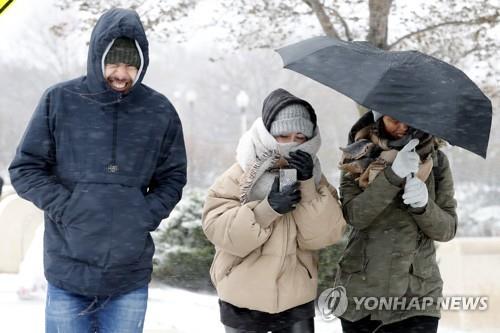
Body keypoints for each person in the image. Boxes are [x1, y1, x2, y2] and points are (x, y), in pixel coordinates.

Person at [9, 8, 187, 333]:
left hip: (128, 274)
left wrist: (143, 214)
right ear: (96, 57)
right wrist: (68, 207)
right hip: (68, 269)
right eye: (113, 62)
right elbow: (25, 169)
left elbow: (173, 178)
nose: (122, 73)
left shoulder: (159, 111)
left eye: (131, 64)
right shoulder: (60, 100)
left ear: (142, 64)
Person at [202, 88, 346, 333]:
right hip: (241, 296)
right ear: (268, 134)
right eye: (283, 135)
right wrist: (267, 209)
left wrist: (308, 184)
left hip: (295, 298)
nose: (292, 143)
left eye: (300, 136)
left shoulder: (316, 178)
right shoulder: (241, 172)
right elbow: (218, 230)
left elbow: (324, 236)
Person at [335, 110, 458, 332]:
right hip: (361, 295)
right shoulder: (357, 157)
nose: (402, 126)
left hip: (417, 297)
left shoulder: (436, 161)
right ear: (379, 118)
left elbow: (446, 230)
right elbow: (355, 216)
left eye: (409, 118)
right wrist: (393, 175)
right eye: (394, 119)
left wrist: (424, 206)